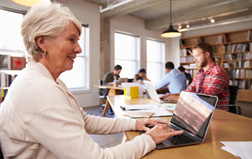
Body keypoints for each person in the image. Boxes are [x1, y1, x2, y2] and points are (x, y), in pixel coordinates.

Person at [0, 3, 183, 159]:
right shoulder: (39, 89)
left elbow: (85, 121)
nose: (79, 49)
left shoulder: (48, 81)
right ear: (42, 42)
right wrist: (149, 139)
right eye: (71, 39)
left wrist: (134, 123)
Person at [162, 43, 230, 111]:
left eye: (197, 56)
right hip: (199, 110)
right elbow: (189, 90)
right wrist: (173, 95)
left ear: (207, 54)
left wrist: (180, 98)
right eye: (194, 56)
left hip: (215, 113)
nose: (195, 59)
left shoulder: (218, 72)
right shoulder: (200, 72)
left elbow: (207, 97)